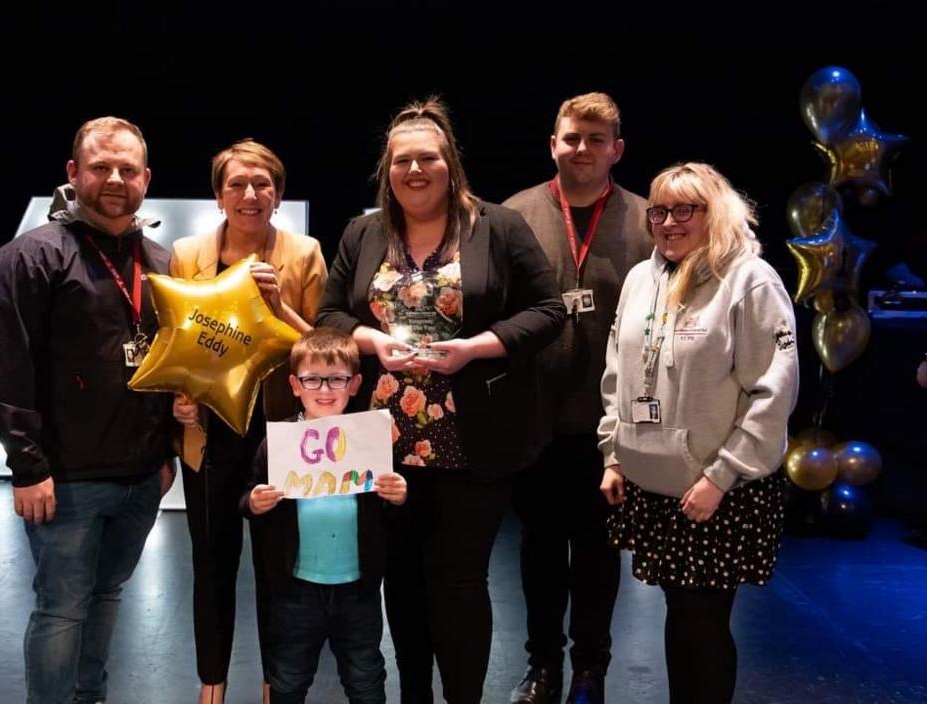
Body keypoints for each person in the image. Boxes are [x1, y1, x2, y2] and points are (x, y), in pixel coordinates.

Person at [316, 97, 565, 704]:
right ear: (388, 169)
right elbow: (328, 313)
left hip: (471, 441)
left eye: (428, 158)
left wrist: (476, 346)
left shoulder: (497, 226)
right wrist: (371, 339)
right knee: (400, 583)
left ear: (450, 163)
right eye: (403, 160)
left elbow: (550, 310)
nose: (415, 170)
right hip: (383, 442)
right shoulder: (363, 231)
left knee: (458, 583)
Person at [0, 116, 177, 704]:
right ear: (72, 173)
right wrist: (29, 467)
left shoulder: (160, 263)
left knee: (108, 595)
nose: (115, 179)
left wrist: (163, 455)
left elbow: (169, 365)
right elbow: (1, 369)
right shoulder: (30, 258)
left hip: (142, 476)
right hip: (64, 480)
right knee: (61, 610)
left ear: (146, 178)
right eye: (100, 167)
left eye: (127, 169)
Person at [598, 162, 799, 704]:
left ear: (717, 214)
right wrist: (613, 453)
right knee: (679, 614)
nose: (667, 222)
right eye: (659, 211)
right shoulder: (643, 277)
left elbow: (772, 391)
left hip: (717, 492)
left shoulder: (751, 280)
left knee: (703, 622)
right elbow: (618, 372)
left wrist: (722, 475)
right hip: (654, 484)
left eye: (685, 209)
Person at [503, 92, 652, 704]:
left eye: (597, 139)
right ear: (553, 144)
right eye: (572, 138)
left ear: (616, 148)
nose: (583, 149)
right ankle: (543, 666)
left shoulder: (648, 219)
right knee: (538, 551)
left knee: (597, 554)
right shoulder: (513, 216)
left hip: (611, 429)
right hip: (533, 418)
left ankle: (592, 669)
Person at [170, 139, 327, 704]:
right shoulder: (187, 254)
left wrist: (280, 305)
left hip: (279, 434)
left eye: (262, 184)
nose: (249, 194)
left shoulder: (304, 253)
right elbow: (178, 341)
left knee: (276, 571)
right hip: (207, 433)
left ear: (278, 196)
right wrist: (178, 400)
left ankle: (273, 687)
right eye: (236, 184)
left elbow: (324, 350)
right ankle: (211, 687)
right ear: (218, 196)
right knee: (210, 564)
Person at [239, 328, 408, 703]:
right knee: (287, 678)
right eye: (312, 379)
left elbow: (390, 513)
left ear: (355, 383)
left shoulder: (371, 441)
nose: (325, 389)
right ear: (295, 385)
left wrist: (397, 497)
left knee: (365, 676)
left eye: (337, 379)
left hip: (358, 588)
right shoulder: (277, 443)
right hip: (296, 588)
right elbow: (247, 496)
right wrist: (254, 501)